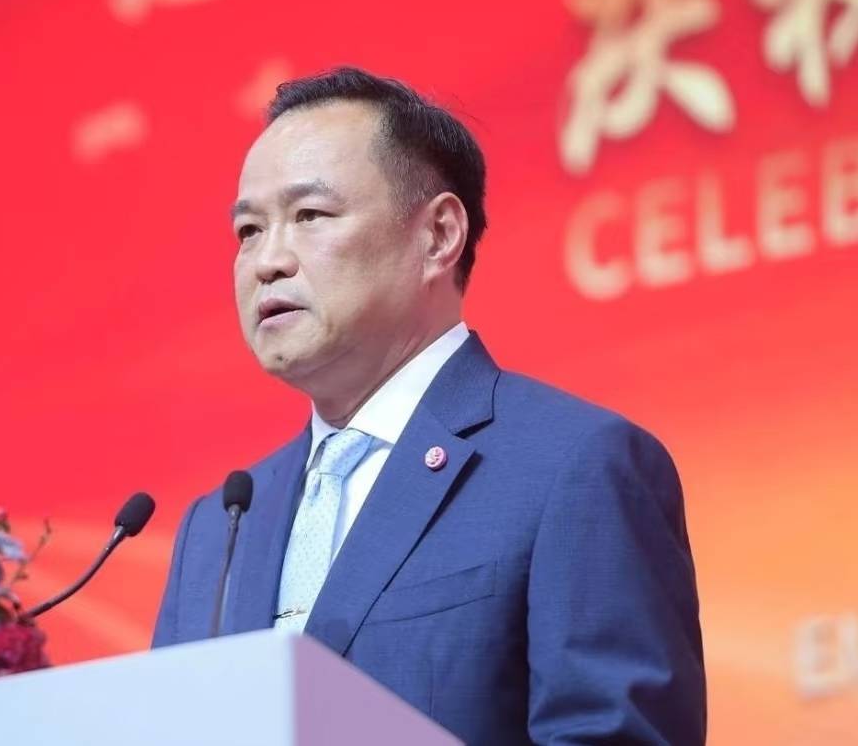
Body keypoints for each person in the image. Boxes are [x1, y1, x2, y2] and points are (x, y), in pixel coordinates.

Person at [151, 67, 705, 745]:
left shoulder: (573, 468)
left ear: (439, 235)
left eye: (309, 216)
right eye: (247, 231)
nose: (267, 261)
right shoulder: (218, 528)